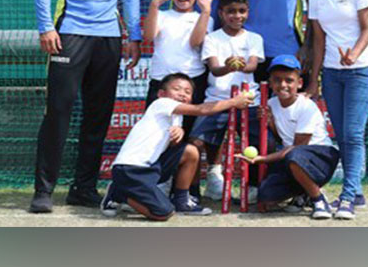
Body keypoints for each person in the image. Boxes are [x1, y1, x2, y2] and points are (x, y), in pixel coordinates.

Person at [30, 0, 141, 213]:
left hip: (108, 37)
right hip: (70, 33)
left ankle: (83, 188)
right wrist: (46, 26)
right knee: (59, 112)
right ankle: (44, 191)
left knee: (98, 116)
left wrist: (134, 35)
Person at [100, 73, 253, 221]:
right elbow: (201, 110)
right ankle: (118, 192)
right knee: (163, 214)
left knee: (190, 151)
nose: (182, 94)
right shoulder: (161, 104)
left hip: (151, 168)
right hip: (130, 169)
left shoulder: (177, 118)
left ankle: (182, 201)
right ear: (161, 93)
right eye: (177, 89)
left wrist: (179, 132)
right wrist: (234, 101)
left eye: (187, 92)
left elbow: (172, 149)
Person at [305, 0, 368, 220]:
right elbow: (319, 43)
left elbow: (367, 30)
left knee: (352, 133)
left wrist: (354, 55)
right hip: (333, 74)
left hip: (362, 69)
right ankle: (356, 191)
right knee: (343, 135)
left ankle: (347, 197)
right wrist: (314, 81)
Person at [189, 0, 272, 203]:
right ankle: (196, 189)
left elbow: (253, 64)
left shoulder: (254, 38)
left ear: (248, 12)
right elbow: (215, 69)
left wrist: (242, 65)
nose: (237, 16)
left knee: (264, 142)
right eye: (231, 12)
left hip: (247, 101)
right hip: (216, 100)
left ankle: (254, 186)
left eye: (242, 11)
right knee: (195, 143)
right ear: (221, 13)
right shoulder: (212, 39)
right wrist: (228, 67)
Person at [236, 54, 339, 220]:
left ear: (299, 84)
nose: (282, 85)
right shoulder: (270, 103)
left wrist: (262, 159)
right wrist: (271, 123)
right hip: (292, 158)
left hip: (321, 157)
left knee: (294, 156)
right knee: (266, 195)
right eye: (277, 80)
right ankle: (303, 193)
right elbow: (282, 139)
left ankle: (318, 200)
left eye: (289, 80)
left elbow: (298, 146)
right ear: (270, 83)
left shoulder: (306, 106)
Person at [143, 0, 213, 139]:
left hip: (193, 82)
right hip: (162, 81)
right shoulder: (160, 15)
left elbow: (195, 42)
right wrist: (154, 5)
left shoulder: (205, 18)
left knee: (187, 136)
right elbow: (148, 37)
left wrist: (205, 12)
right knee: (156, 136)